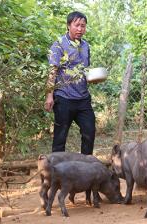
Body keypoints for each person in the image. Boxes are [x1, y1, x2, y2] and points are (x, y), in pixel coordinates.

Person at [44, 11, 95, 155]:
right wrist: (49, 96)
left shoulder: (85, 46)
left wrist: (93, 78)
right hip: (63, 98)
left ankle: (86, 167)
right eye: (77, 25)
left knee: (89, 132)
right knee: (60, 137)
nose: (80, 29)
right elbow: (52, 71)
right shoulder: (58, 45)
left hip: (83, 99)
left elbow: (84, 70)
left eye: (83, 26)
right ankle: (56, 171)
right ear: (68, 25)